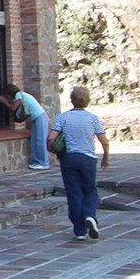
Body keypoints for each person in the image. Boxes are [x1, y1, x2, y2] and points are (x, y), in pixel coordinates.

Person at [48, 86, 110, 241]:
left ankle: (80, 230)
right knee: (90, 190)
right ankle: (89, 215)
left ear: (72, 99)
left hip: (68, 159)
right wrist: (106, 157)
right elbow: (104, 141)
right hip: (87, 158)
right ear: (87, 100)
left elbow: (51, 138)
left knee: (74, 192)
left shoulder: (63, 117)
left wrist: (53, 151)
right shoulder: (92, 118)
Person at [0, 84, 50, 169]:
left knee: (40, 140)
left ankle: (44, 163)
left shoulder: (18, 94)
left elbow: (14, 108)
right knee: (34, 140)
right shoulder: (21, 95)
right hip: (36, 118)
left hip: (40, 117)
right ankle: (37, 161)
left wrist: (5, 102)